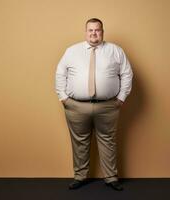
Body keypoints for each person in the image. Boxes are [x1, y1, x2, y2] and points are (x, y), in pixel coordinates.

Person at [55, 18, 133, 191]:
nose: (93, 33)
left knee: (108, 140)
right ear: (85, 32)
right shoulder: (72, 51)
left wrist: (121, 98)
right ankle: (80, 176)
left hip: (107, 106)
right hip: (76, 106)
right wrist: (64, 98)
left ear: (102, 32)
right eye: (90, 30)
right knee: (79, 141)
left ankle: (111, 177)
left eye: (97, 30)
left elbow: (127, 74)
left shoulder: (115, 51)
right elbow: (60, 73)